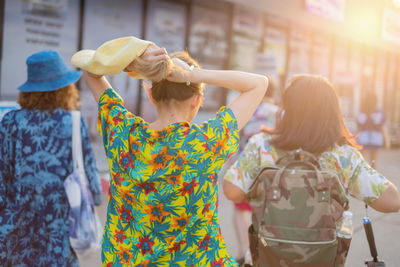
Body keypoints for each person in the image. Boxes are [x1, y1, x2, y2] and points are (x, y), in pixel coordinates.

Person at [81, 41, 268, 266]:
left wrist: (138, 55)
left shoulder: (122, 133)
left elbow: (89, 64)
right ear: (197, 100)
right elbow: (259, 84)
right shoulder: (206, 143)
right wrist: (192, 74)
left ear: (151, 96)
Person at [224, 75, 400, 227]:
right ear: (333, 112)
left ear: (287, 109)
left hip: (267, 254)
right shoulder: (344, 155)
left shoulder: (263, 144)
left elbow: (232, 191)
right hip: (324, 257)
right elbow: (393, 201)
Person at [0, 50, 102, 266]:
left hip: (16, 228)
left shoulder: (10, 122)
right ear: (65, 89)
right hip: (61, 227)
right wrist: (95, 199)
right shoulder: (73, 122)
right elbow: (90, 171)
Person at [229, 77, 279, 265]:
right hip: (271, 169)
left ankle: (244, 250)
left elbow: (236, 139)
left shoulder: (248, 111)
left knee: (240, 209)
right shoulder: (280, 113)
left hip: (246, 168)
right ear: (273, 94)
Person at [356, 91, 391, 167]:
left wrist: (354, 139)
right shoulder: (379, 112)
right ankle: (373, 175)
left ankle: (364, 176)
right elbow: (383, 127)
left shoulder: (363, 111)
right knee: (373, 161)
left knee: (363, 161)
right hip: (376, 138)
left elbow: (359, 127)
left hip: (363, 138)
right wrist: (387, 140)